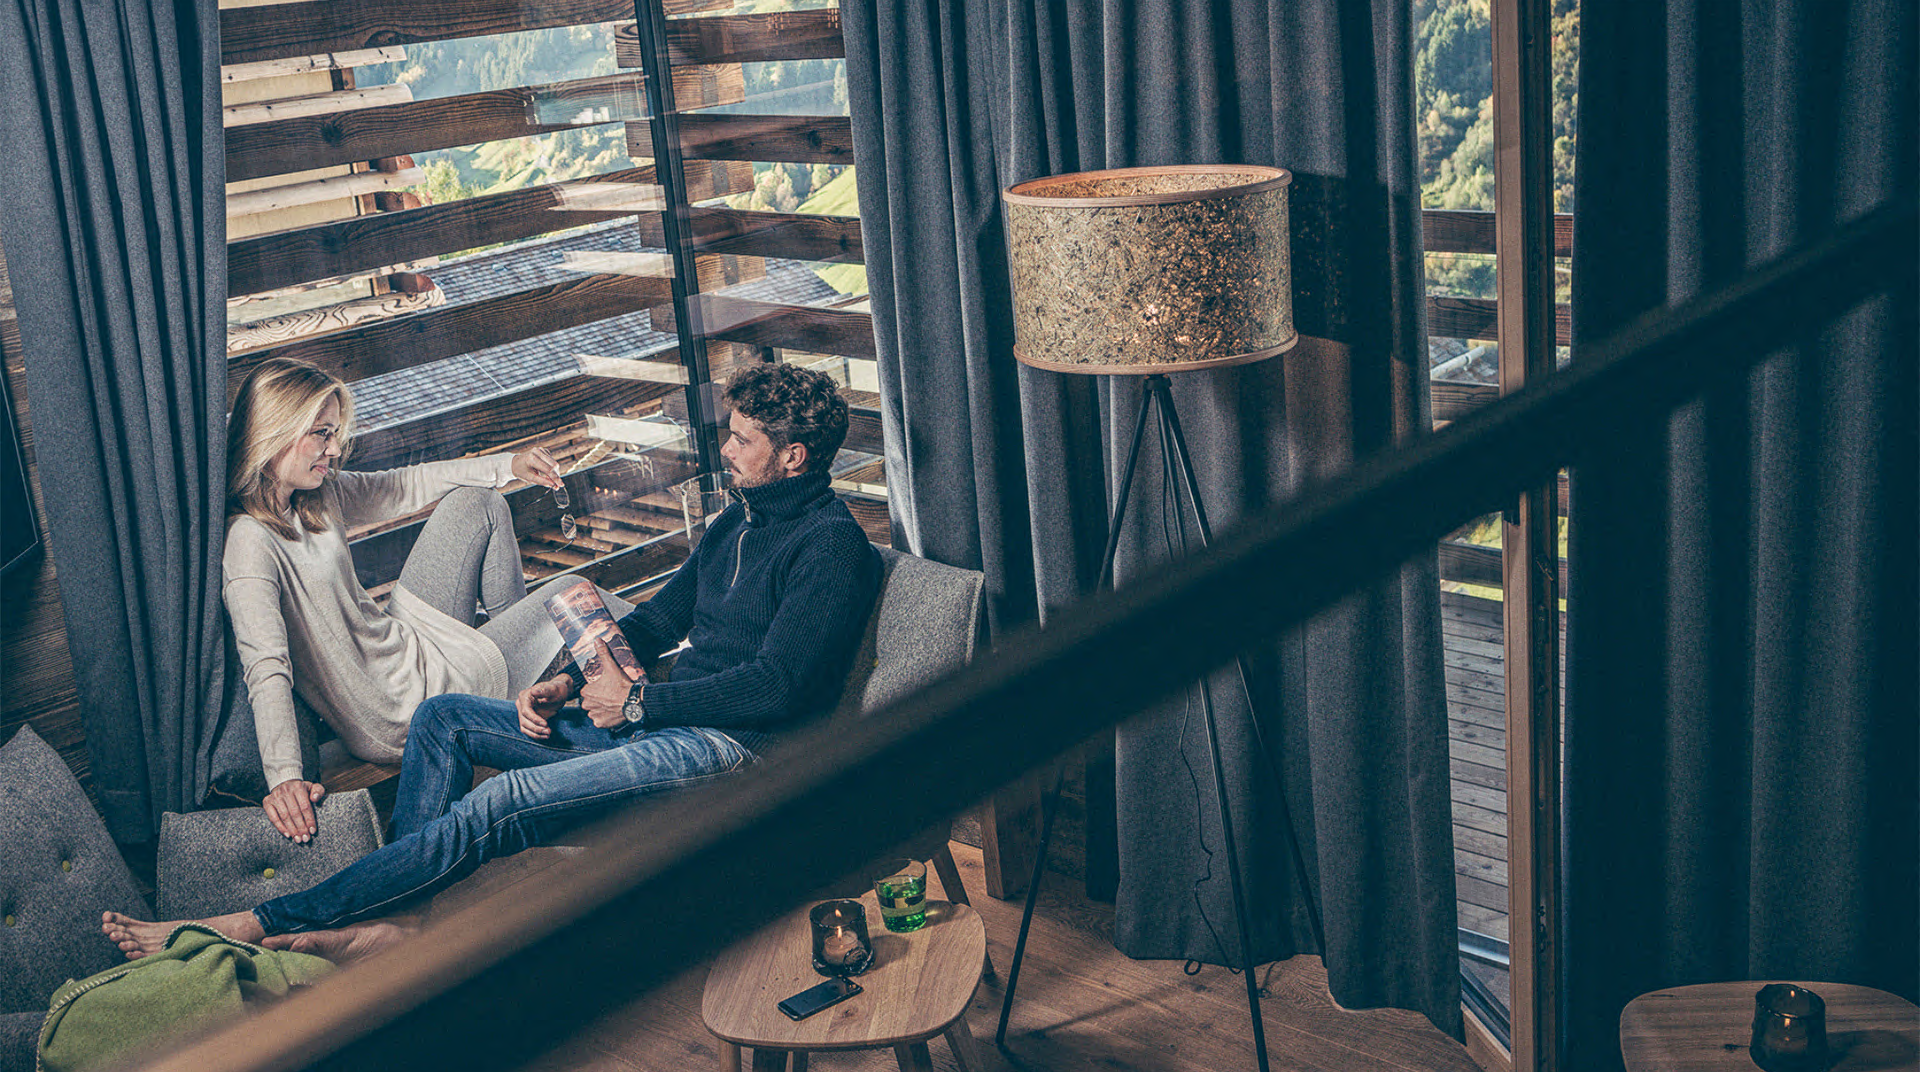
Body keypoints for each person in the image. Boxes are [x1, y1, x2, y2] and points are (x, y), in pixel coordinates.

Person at [105, 363, 881, 961]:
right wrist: (569, 683)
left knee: (494, 805)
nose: (726, 446)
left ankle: (260, 921)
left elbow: (778, 686)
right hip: (661, 723)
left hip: (730, 749)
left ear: (793, 457)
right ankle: (404, 920)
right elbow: (656, 623)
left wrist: (641, 707)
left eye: (742, 438)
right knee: (443, 720)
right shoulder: (733, 522)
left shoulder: (830, 546)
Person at [222, 357, 597, 842]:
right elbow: (266, 665)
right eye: (321, 433)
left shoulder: (312, 496)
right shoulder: (248, 542)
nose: (334, 449)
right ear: (275, 431)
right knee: (583, 596)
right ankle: (520, 679)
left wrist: (509, 466)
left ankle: (517, 684)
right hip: (395, 705)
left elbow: (403, 485)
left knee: (478, 502)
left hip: (401, 647)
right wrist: (284, 778)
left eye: (334, 433)